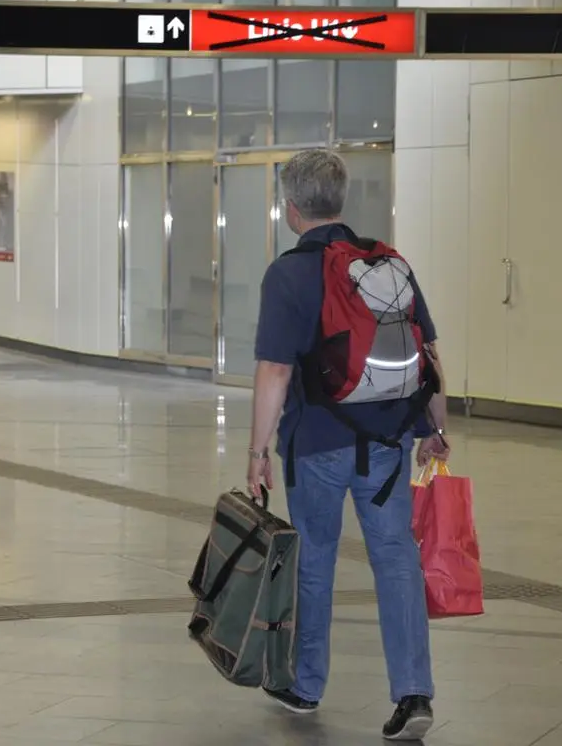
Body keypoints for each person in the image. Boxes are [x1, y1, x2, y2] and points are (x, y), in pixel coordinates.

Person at [245, 148, 449, 741]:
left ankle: (307, 685)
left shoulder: (288, 272)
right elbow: (430, 355)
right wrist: (435, 428)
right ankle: (413, 693)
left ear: (290, 207)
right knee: (396, 562)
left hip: (315, 446)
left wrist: (258, 452)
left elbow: (275, 372)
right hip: (387, 443)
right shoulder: (387, 263)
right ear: (340, 200)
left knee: (315, 562)